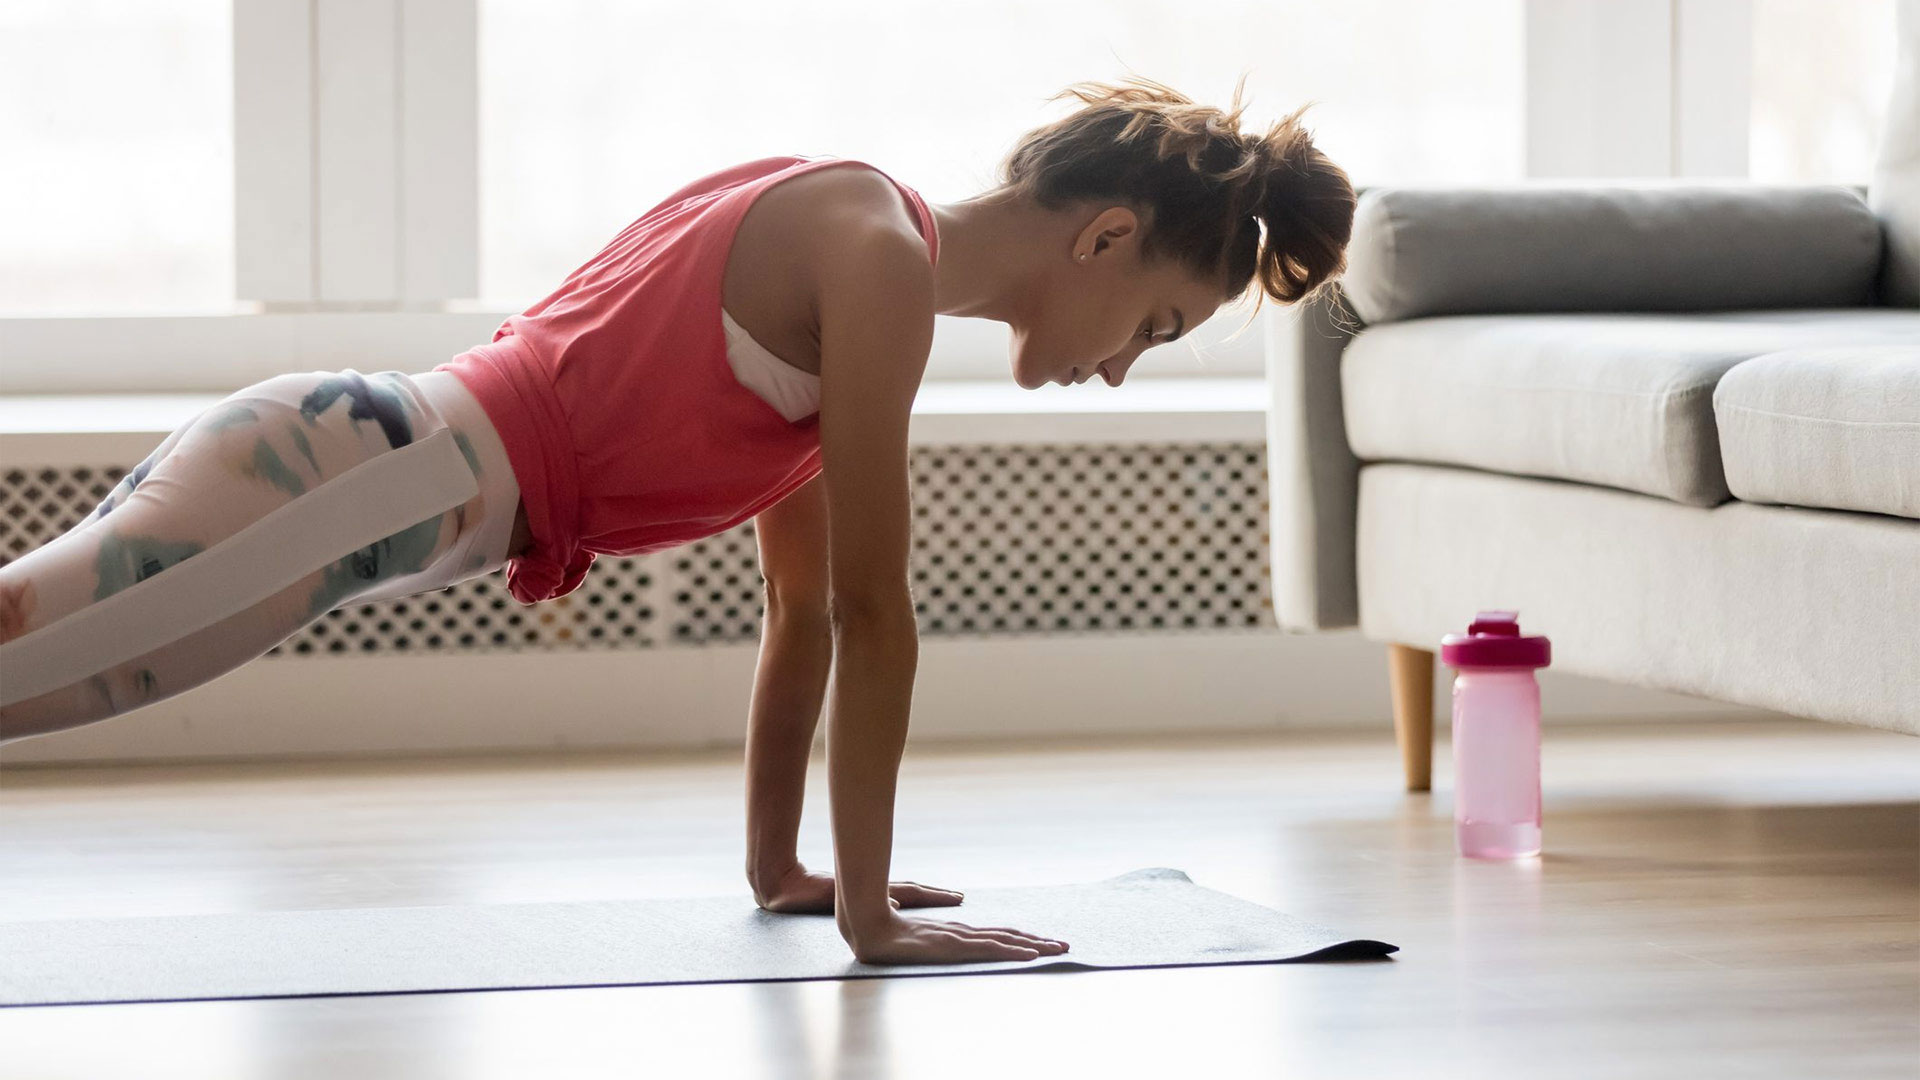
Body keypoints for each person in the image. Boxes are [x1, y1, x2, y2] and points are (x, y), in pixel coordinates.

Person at [0, 73, 1356, 965]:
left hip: (343, 466)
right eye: (1157, 327)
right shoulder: (874, 260)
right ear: (1107, 238)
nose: (1122, 365)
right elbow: (884, 614)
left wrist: (791, 871)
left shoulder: (863, 250)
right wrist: (875, 923)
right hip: (352, 480)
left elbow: (809, 607)